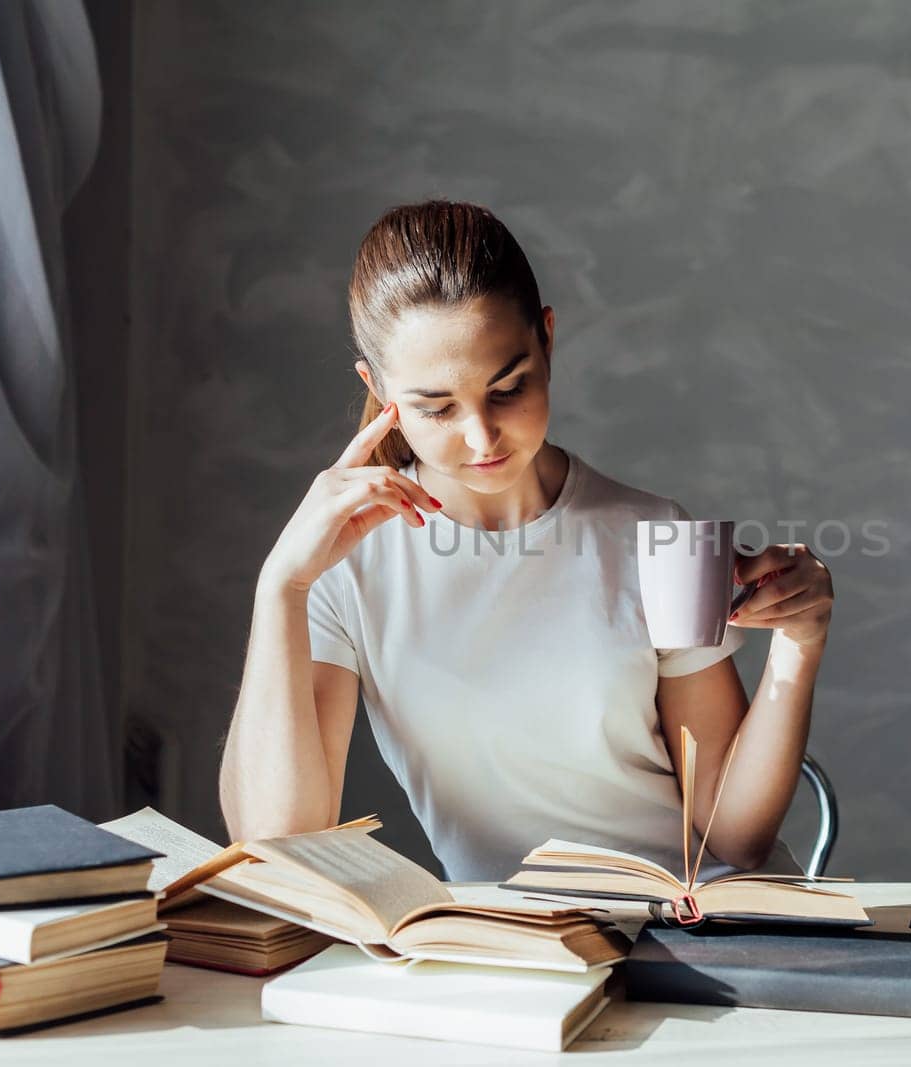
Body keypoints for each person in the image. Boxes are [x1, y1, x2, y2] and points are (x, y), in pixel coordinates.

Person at [218, 200, 835, 881]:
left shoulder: (656, 535)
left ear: (547, 340)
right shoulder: (347, 565)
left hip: (701, 923)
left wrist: (798, 647)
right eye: (436, 407)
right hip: (519, 953)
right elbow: (278, 847)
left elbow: (735, 836)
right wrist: (281, 587)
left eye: (508, 388)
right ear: (378, 388)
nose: (482, 438)